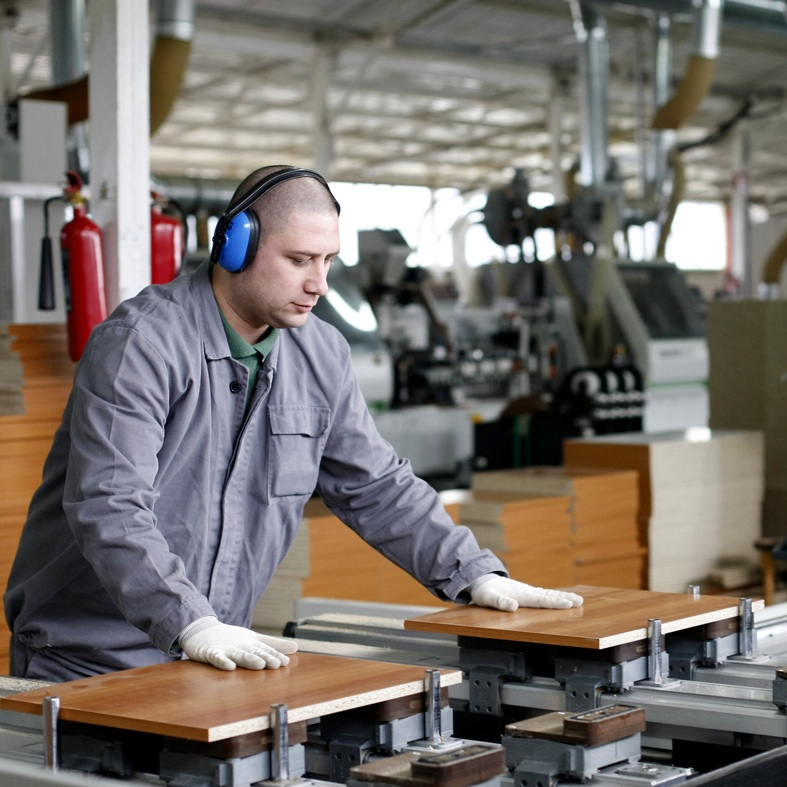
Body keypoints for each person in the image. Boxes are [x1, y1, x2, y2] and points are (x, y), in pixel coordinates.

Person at [4, 166, 582, 682]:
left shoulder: (322, 354)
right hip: (88, 657)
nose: (319, 284)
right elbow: (109, 503)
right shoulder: (142, 346)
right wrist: (191, 623)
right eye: (299, 260)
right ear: (235, 247)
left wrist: (474, 574)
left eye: (328, 261)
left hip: (213, 652)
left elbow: (377, 486)